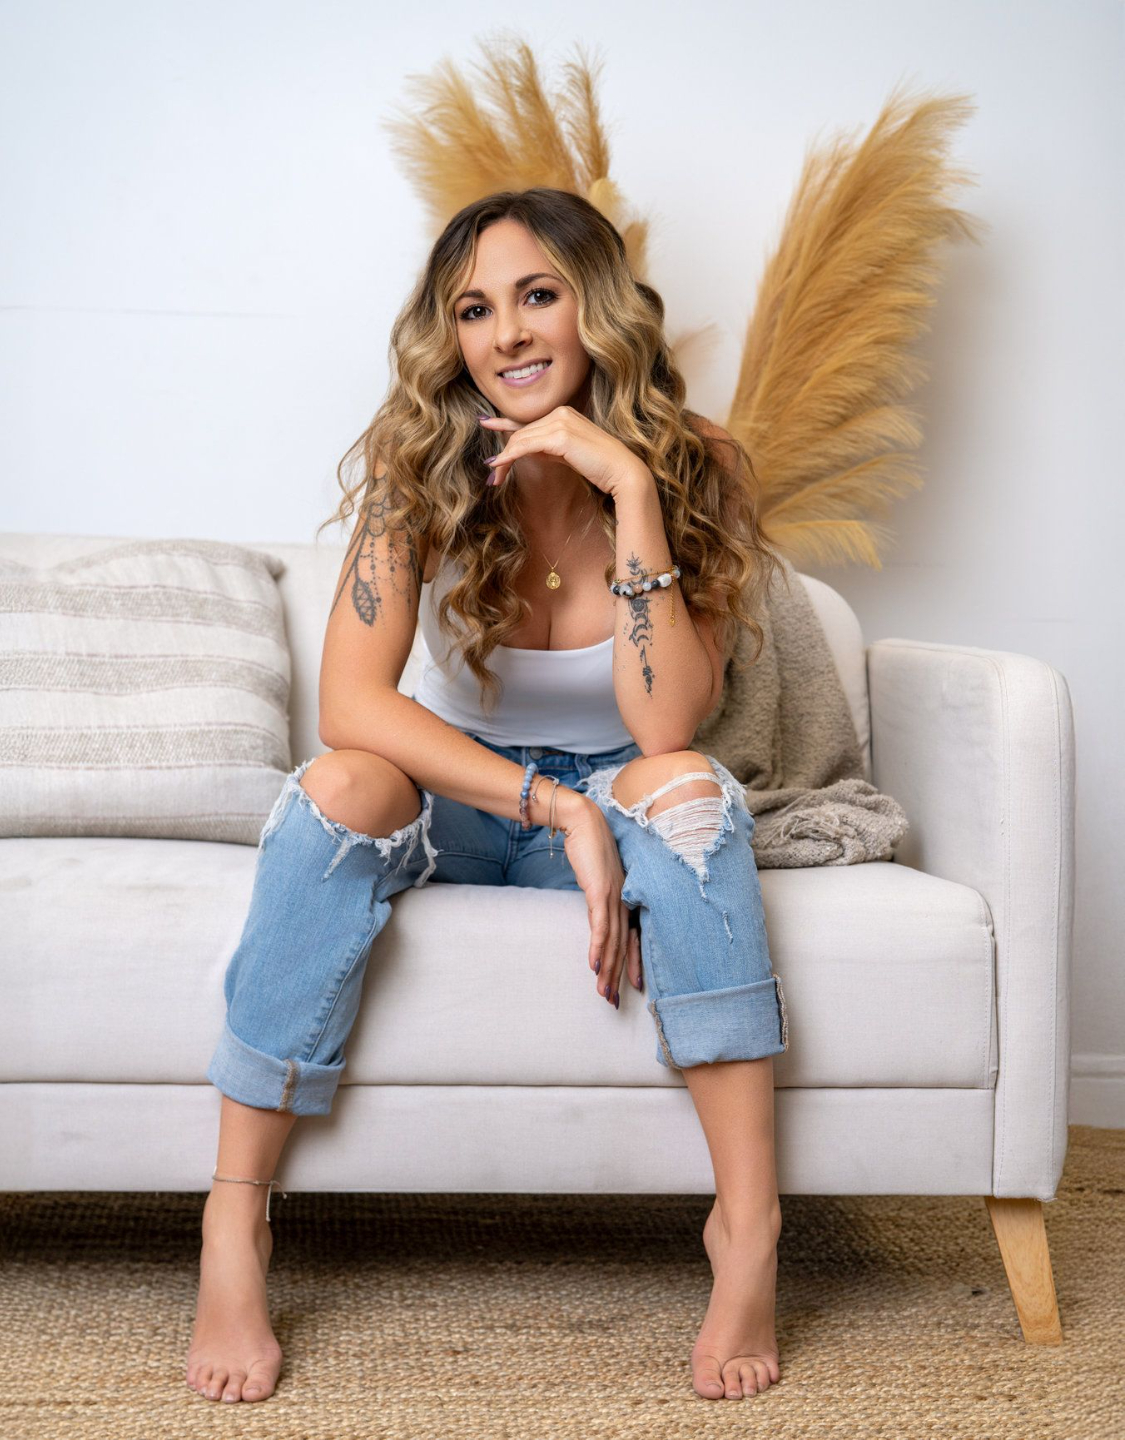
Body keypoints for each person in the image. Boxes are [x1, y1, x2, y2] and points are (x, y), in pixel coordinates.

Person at [186, 187, 790, 1407]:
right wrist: (551, 808)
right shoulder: (419, 461)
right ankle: (233, 1220)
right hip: (467, 796)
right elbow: (353, 704)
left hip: (623, 786)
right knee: (339, 786)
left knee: (685, 790)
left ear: (597, 310)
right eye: (473, 309)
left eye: (537, 296)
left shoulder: (696, 462)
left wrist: (629, 491)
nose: (506, 333)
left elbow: (664, 723)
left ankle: (748, 1226)